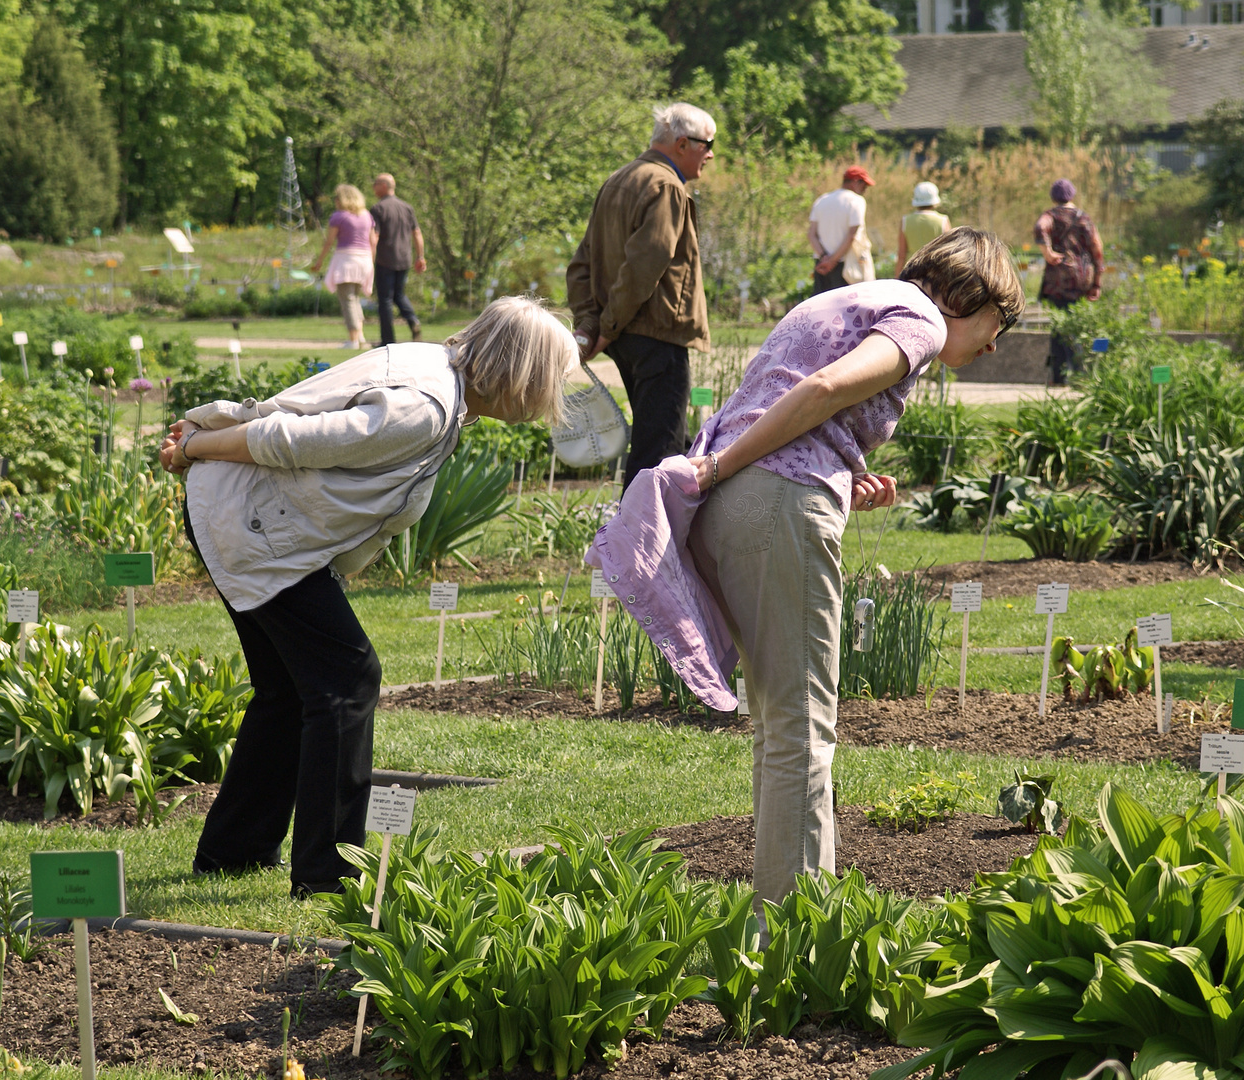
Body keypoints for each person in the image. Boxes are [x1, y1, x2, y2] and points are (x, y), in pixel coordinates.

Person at [587, 228, 1024, 908]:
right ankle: (794, 940)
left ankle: (780, 922)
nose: (994, 345)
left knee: (778, 726)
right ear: (968, 296)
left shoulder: (850, 297)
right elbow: (821, 389)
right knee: (801, 729)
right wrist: (725, 468)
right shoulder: (921, 320)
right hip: (762, 499)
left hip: (740, 506)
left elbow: (795, 403)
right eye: (998, 324)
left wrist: (834, 476)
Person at [158, 297, 572, 899]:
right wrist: (194, 448)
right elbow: (292, 439)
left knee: (289, 687)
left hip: (246, 520)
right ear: (522, 371)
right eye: (551, 376)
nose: (551, 393)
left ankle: (234, 852)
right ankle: (328, 874)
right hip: (251, 528)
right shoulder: (424, 407)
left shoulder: (435, 375)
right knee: (347, 679)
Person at [566, 102, 714, 491]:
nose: (711, 153)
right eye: (707, 144)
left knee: (673, 440)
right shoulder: (665, 186)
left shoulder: (619, 178)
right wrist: (606, 326)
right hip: (657, 335)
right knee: (658, 451)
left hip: (627, 336)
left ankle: (678, 542)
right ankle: (635, 546)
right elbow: (644, 265)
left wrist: (593, 326)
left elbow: (582, 263)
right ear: (683, 143)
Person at [1034, 178, 1104, 386]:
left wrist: (1047, 252)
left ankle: (1072, 375)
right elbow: (1097, 250)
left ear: (1053, 197)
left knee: (1062, 327)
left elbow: (1040, 228)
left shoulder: (1050, 216)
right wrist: (1097, 282)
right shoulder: (1084, 218)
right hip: (1082, 278)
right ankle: (1064, 376)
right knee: (1067, 327)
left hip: (1059, 280)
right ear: (1072, 195)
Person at [310, 184, 378, 349]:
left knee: (347, 299)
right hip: (364, 260)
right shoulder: (366, 215)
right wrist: (371, 262)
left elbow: (329, 241)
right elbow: (373, 242)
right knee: (354, 298)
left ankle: (353, 339)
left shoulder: (339, 216)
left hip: (346, 260)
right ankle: (360, 336)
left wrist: (319, 261)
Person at [368, 173, 427, 346]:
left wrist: (370, 260)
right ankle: (413, 320)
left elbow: (375, 236)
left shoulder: (378, 208)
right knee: (399, 295)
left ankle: (388, 340)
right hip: (404, 259)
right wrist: (420, 256)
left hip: (385, 259)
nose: (373, 187)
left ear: (384, 186)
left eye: (376, 184)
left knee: (385, 299)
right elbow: (416, 232)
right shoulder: (407, 207)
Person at [808, 165, 875, 295]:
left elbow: (811, 234)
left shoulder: (821, 200)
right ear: (855, 181)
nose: (865, 189)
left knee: (822, 308)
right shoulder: (856, 201)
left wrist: (824, 257)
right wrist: (832, 261)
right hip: (845, 265)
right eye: (864, 185)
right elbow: (852, 234)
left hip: (821, 265)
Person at [895, 181, 951, 276]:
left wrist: (897, 277)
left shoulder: (905, 220)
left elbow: (902, 255)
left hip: (912, 271)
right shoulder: (943, 220)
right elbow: (948, 252)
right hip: (935, 273)